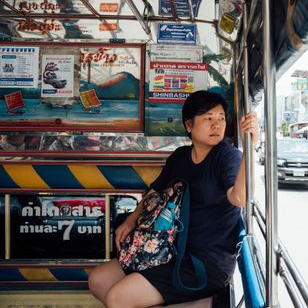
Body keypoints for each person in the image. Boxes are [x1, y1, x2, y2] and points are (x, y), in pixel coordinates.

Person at [88, 90, 259, 307]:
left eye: (221, 118)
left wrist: (250, 147)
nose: (217, 125)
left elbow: (240, 198)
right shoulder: (180, 157)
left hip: (205, 261)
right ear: (189, 125)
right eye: (208, 119)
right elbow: (154, 193)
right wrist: (131, 220)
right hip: (165, 248)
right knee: (99, 279)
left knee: (119, 297)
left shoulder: (227, 156)